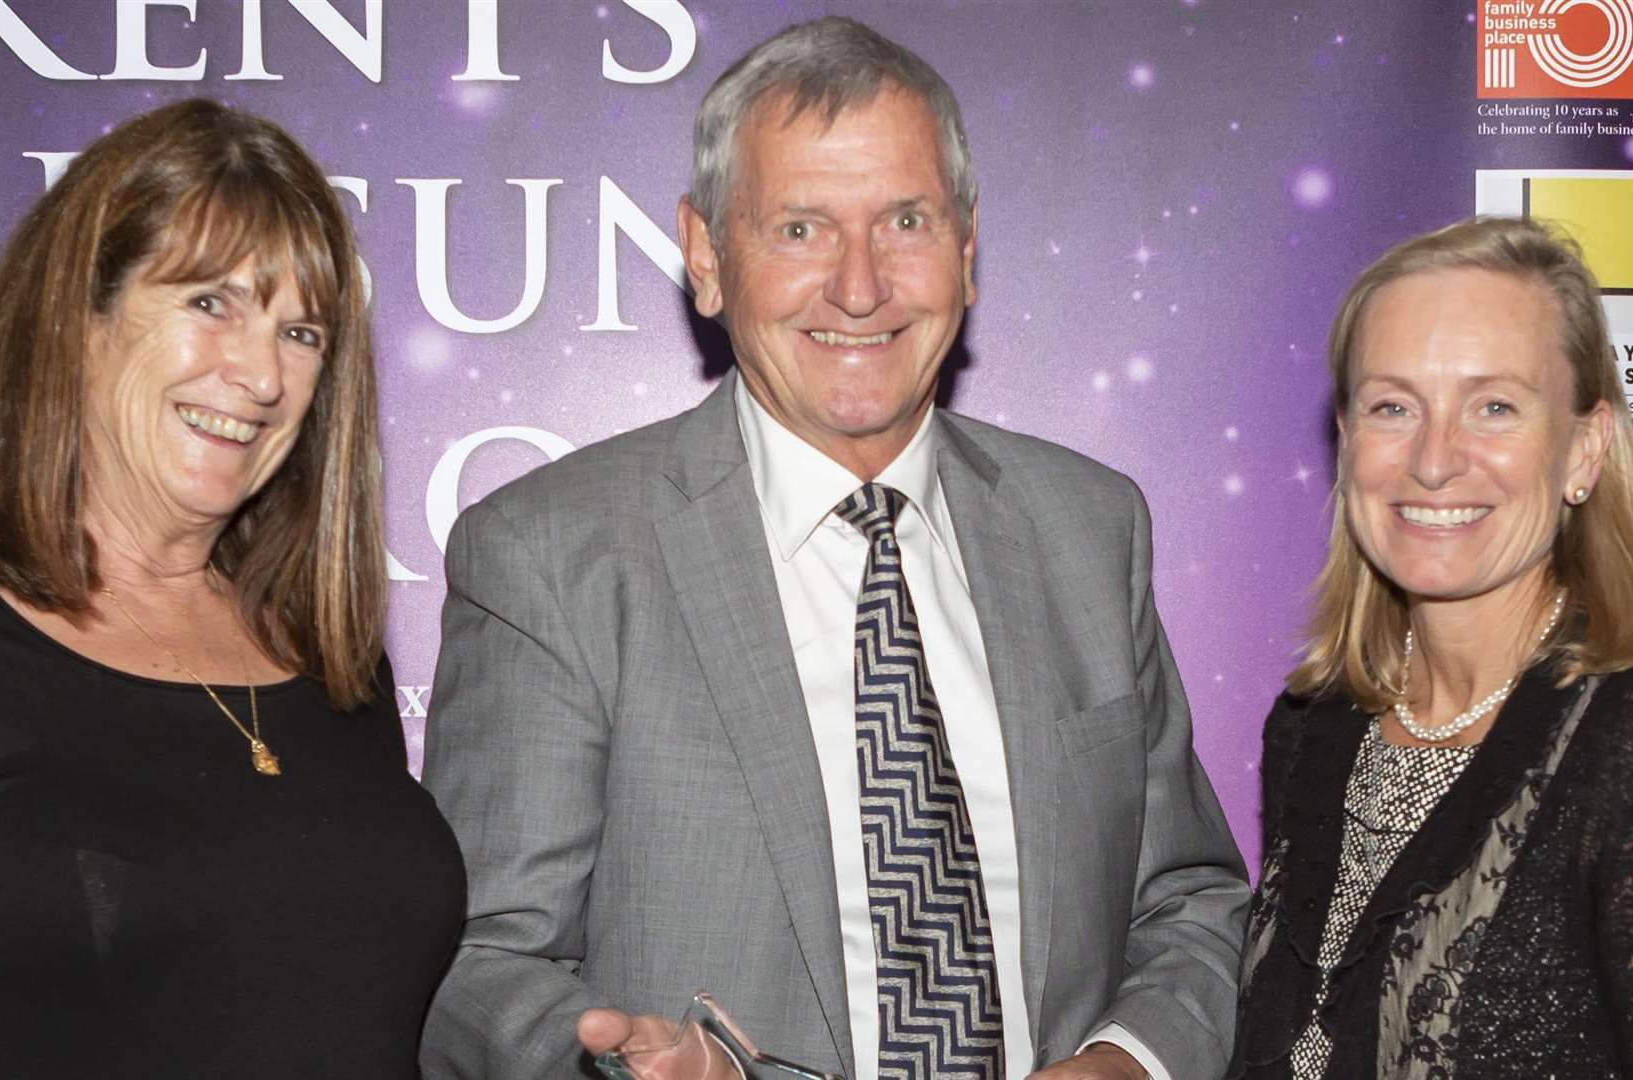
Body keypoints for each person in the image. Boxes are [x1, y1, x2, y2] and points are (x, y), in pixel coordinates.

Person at [420, 17, 1248, 1080]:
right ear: (707, 256)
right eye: (800, 229)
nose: (859, 287)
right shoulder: (548, 556)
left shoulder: (1088, 530)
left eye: (904, 220)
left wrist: (1126, 1063)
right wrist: (620, 1073)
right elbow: (476, 963)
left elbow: (1189, 900)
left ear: (964, 247)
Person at [0, 100, 465, 1078]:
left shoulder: (334, 670)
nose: (261, 374)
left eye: (300, 332)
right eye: (209, 303)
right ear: (78, 322)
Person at [1228, 217, 1633, 1076]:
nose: (1434, 460)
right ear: (1347, 438)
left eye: (1493, 407)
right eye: (1392, 406)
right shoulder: (1309, 730)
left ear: (1581, 451)